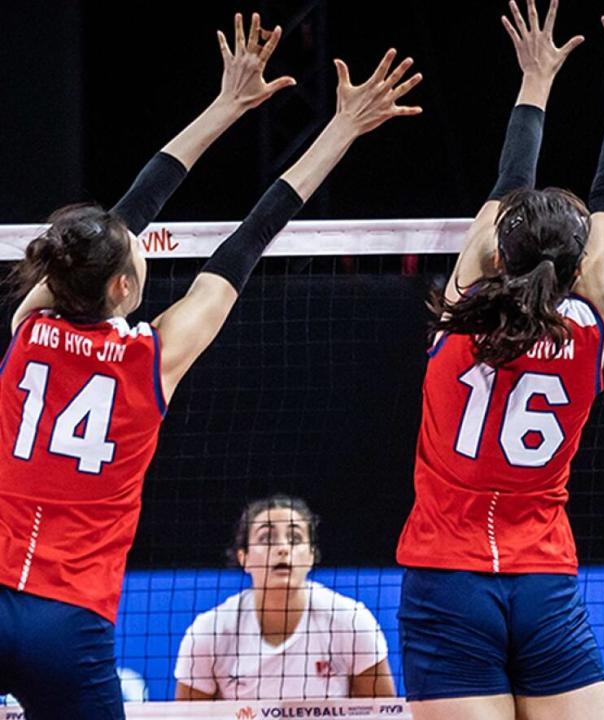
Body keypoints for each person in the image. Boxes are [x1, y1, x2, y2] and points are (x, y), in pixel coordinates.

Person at [0, 11, 421, 717]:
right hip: (68, 621)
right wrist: (340, 130)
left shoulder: (27, 329)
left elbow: (121, 220)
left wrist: (223, 104)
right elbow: (255, 233)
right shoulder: (150, 360)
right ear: (122, 289)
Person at [395, 1, 604, 718]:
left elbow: (505, 186)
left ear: (498, 249)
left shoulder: (459, 318)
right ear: (579, 261)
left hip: (446, 578)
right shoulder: (589, 326)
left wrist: (536, 79)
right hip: (543, 579)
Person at [174, 495, 394, 700]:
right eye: (266, 538)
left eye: (295, 538)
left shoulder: (351, 622)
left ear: (311, 556)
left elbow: (385, 714)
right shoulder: (209, 632)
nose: (282, 548)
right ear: (245, 558)